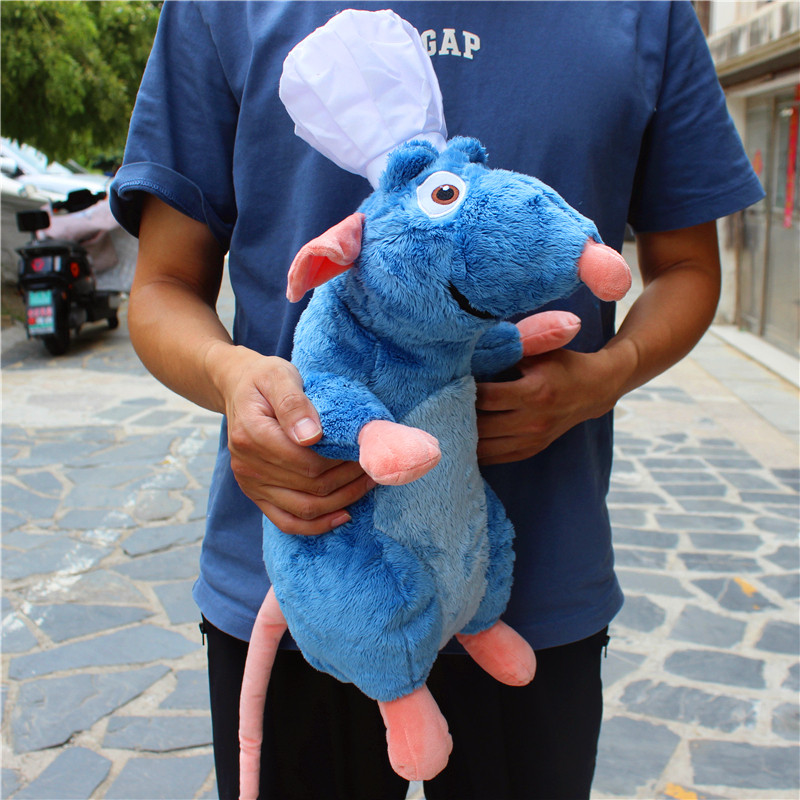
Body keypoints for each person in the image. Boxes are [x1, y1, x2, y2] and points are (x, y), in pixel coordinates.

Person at [111, 2, 764, 798]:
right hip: (311, 565)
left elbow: (688, 266)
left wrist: (608, 374)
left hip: (534, 577)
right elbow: (163, 285)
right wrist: (231, 377)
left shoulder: (646, 14)